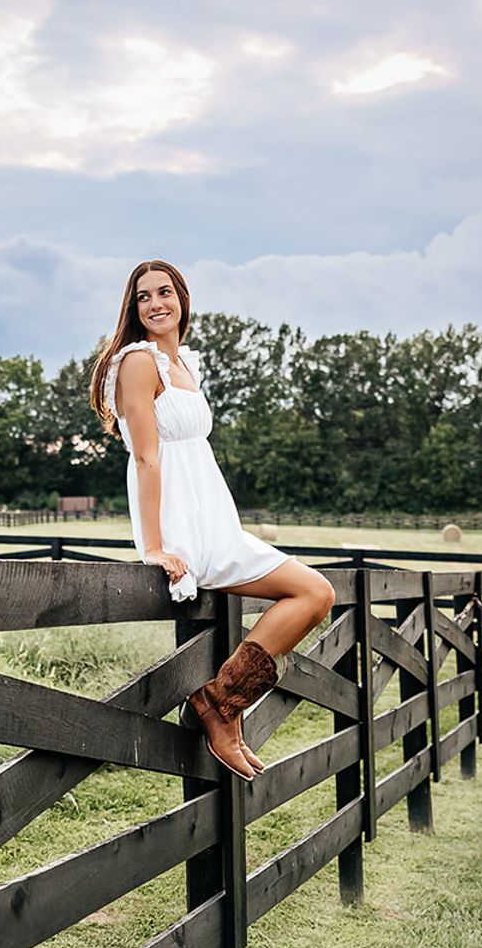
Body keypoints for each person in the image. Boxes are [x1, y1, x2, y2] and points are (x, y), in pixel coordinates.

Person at [89, 259, 336, 780]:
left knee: (316, 594)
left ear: (182, 297)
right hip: (180, 522)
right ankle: (221, 707)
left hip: (215, 518)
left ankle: (222, 701)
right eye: (143, 297)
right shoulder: (138, 362)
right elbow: (147, 457)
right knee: (313, 593)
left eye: (164, 292)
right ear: (132, 309)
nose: (155, 304)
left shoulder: (186, 363)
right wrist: (154, 547)